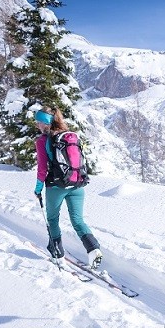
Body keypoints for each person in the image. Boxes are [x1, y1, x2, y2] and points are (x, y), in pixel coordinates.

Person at [33, 107, 103, 269]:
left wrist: (38, 189)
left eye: (39, 121)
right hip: (77, 184)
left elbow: (42, 169)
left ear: (45, 123)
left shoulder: (43, 140)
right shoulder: (69, 136)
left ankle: (58, 254)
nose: (37, 125)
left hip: (56, 186)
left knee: (52, 219)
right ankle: (93, 248)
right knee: (78, 220)